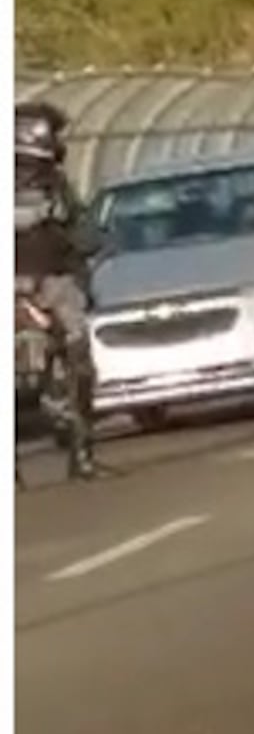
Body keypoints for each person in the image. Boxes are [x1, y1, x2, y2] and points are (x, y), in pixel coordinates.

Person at [13, 101, 101, 479]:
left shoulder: (56, 183)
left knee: (78, 356)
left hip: (51, 281)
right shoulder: (53, 186)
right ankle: (81, 449)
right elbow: (83, 231)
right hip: (46, 280)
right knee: (79, 357)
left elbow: (85, 232)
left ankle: (79, 444)